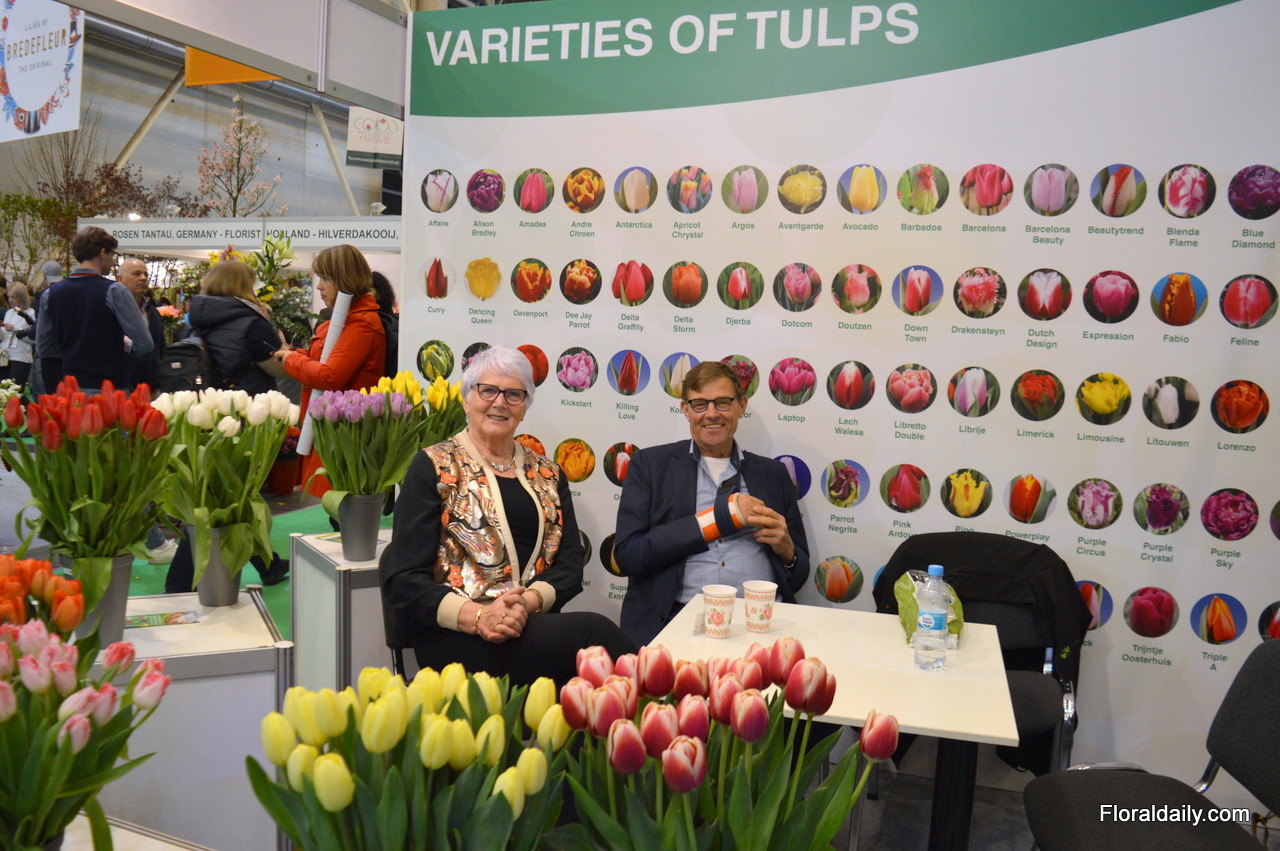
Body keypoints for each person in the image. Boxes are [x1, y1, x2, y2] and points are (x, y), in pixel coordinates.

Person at [380, 346, 634, 684]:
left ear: (524, 408)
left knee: (591, 653)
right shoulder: (432, 466)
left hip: (531, 624)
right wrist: (480, 617)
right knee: (594, 633)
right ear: (466, 399)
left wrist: (526, 604)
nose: (500, 402)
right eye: (487, 390)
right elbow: (404, 579)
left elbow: (570, 565)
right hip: (456, 635)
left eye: (514, 394)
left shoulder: (549, 474)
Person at [613, 360, 810, 646]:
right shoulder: (650, 465)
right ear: (685, 410)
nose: (711, 414)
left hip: (761, 623)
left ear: (741, 406)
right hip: (679, 621)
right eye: (700, 404)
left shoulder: (773, 474)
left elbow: (799, 575)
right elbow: (629, 556)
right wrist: (719, 519)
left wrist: (788, 551)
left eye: (723, 402)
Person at [274, 244, 385, 497]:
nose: (319, 287)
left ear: (344, 278)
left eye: (325, 278)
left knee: (330, 506)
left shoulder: (362, 323)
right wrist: (294, 355)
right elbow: (324, 362)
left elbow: (329, 376)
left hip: (344, 434)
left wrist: (292, 359)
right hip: (331, 429)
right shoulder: (345, 320)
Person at [42, 228, 154, 391]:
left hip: (70, 389)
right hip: (110, 389)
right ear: (103, 252)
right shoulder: (114, 291)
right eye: (113, 254)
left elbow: (44, 348)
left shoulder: (50, 294)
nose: (113, 261)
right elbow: (145, 345)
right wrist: (128, 348)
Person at [188, 260, 287, 394]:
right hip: (245, 400)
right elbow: (280, 368)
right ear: (246, 286)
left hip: (204, 397)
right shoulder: (253, 324)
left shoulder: (195, 318)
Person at [117, 258, 165, 391]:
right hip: (122, 387)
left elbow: (161, 348)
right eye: (136, 274)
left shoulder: (153, 312)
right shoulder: (111, 312)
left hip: (151, 386)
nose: (143, 278)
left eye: (146, 274)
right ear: (120, 279)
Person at [33, 260, 64, 395]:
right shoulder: (70, 292)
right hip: (69, 351)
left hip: (49, 352)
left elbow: (42, 327)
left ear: (44, 276)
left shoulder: (46, 295)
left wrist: (39, 349)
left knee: (53, 393)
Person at [1, 284, 36, 390]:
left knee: (16, 391)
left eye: (13, 297)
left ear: (22, 297)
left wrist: (14, 329)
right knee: (3, 391)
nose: (10, 300)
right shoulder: (9, 312)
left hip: (21, 358)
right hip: (4, 357)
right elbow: (4, 337)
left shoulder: (31, 313)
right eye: (9, 297)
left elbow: (33, 338)